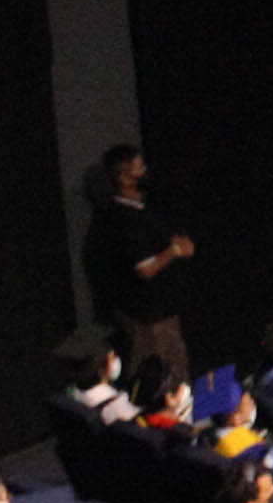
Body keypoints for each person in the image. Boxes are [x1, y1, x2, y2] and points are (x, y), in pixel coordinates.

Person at [82, 144, 195, 374]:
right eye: (139, 167)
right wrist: (173, 251)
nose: (145, 172)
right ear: (124, 177)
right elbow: (145, 269)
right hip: (148, 320)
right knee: (156, 380)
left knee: (177, 377)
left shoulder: (142, 210)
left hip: (164, 312)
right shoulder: (121, 220)